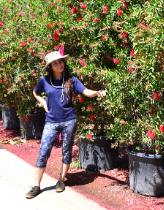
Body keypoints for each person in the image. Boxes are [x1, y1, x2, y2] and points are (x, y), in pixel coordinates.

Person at [26, 48, 106, 199]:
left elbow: (86, 91)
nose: (59, 65)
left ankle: (61, 180)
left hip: (69, 120)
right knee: (44, 152)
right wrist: (43, 102)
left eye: (60, 62)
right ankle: (36, 186)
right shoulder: (44, 81)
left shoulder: (71, 80)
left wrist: (97, 93)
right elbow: (35, 92)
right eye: (55, 63)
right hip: (51, 121)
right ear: (50, 66)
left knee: (66, 150)